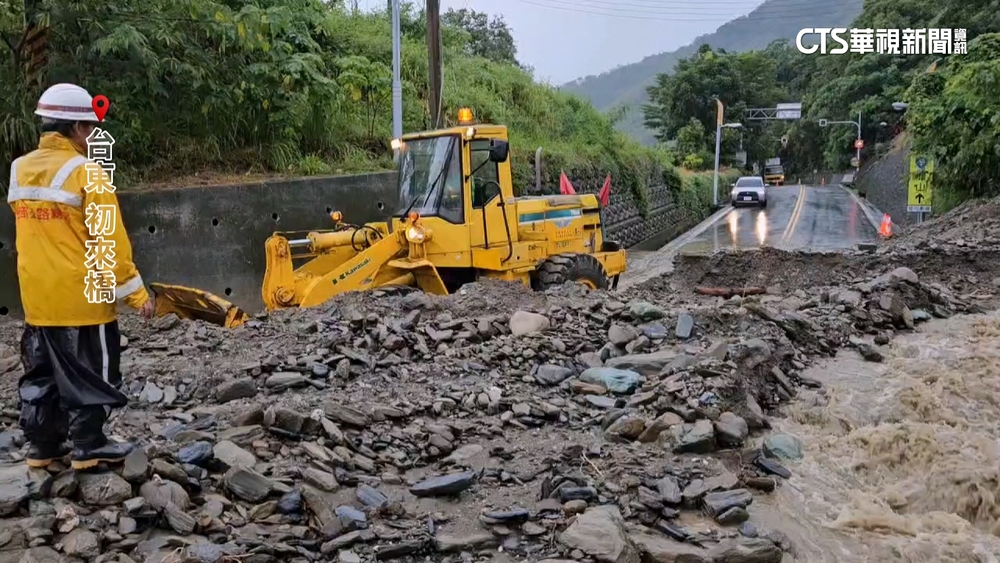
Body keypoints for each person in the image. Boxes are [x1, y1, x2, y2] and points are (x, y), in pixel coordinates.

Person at [7, 83, 155, 470]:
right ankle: (89, 444)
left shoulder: (19, 169)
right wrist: (138, 296)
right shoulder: (90, 175)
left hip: (37, 299)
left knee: (41, 374)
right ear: (77, 130)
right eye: (90, 129)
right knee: (94, 373)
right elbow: (109, 244)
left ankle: (44, 447)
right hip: (83, 300)